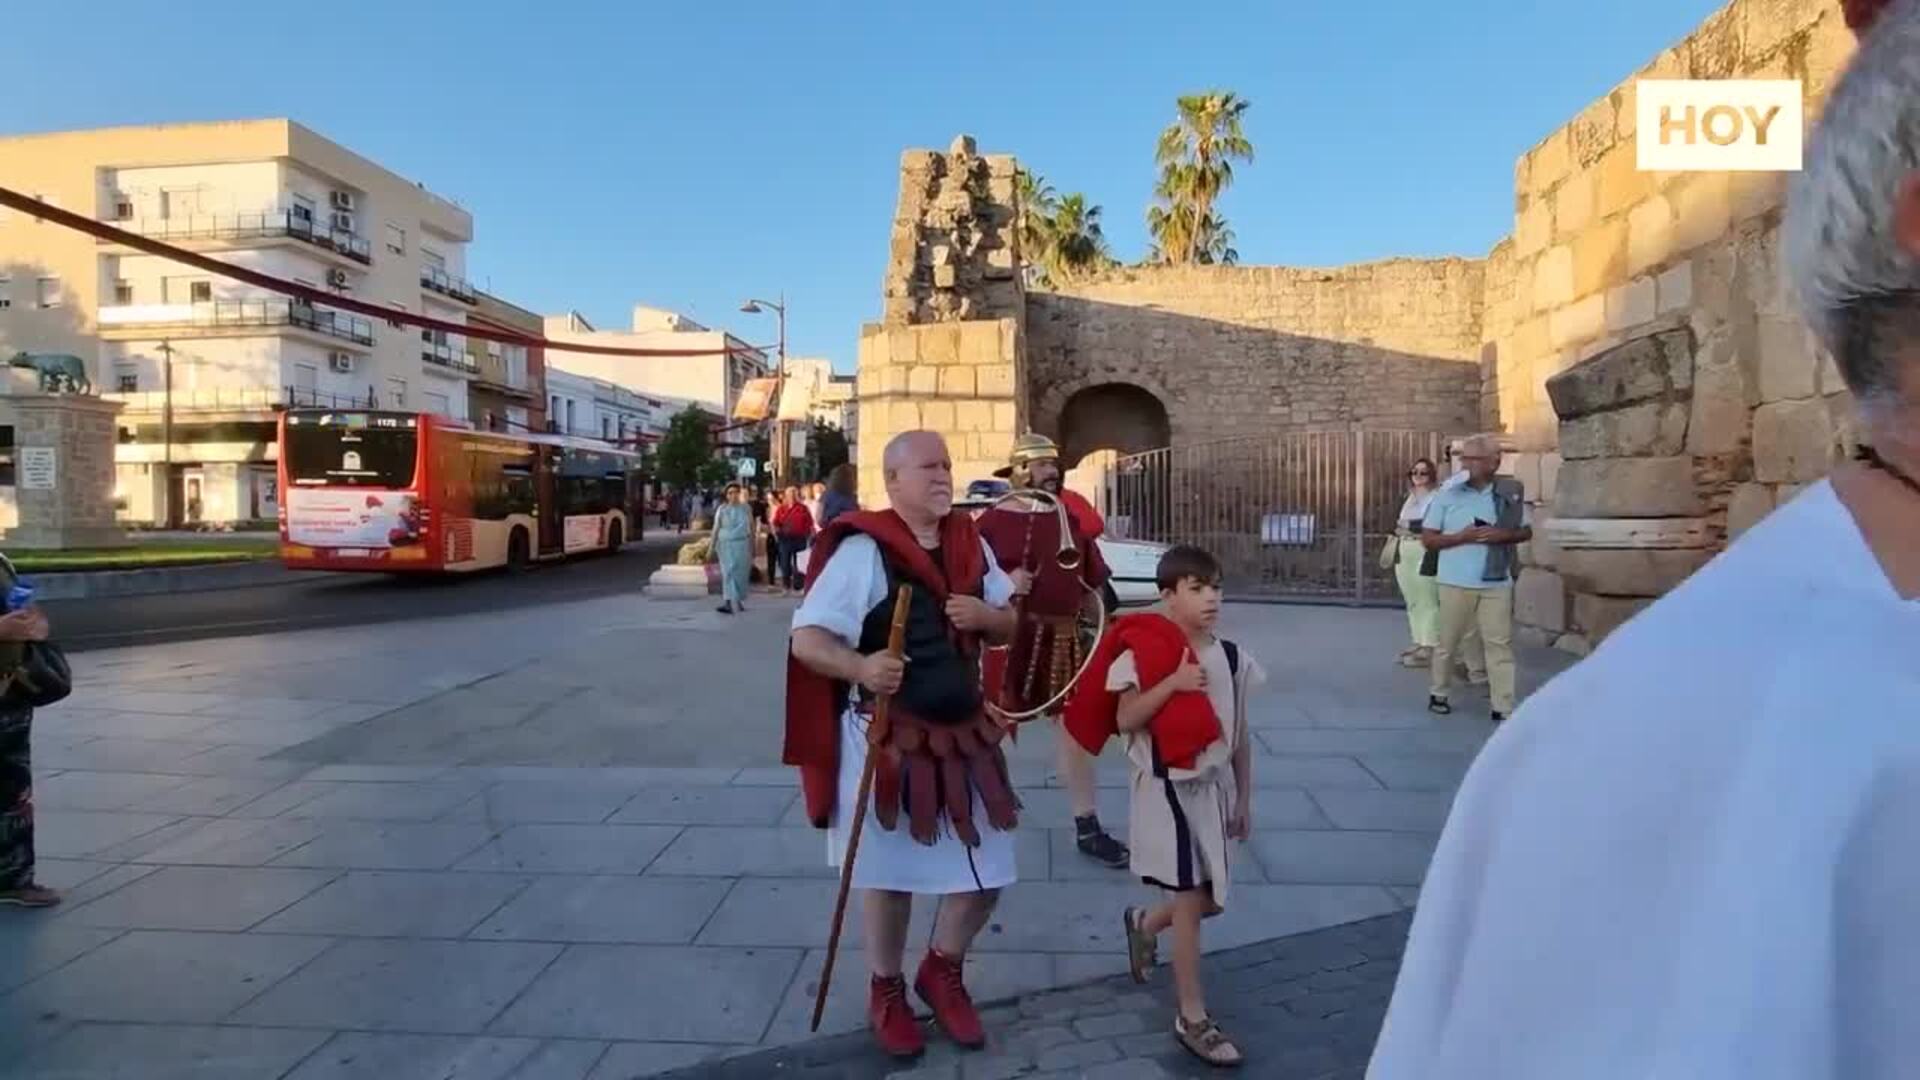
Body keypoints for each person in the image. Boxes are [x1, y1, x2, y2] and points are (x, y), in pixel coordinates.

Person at [1368, 8, 1920, 1076]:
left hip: (1501, 578)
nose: (1481, 459)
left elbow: (1517, 526)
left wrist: (1500, 525)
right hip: (1463, 584)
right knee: (1459, 650)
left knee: (1491, 664)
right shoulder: (1647, 762)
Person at [785, 430, 1020, 1060]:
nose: (943, 475)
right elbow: (807, 638)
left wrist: (986, 618)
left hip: (966, 731)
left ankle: (941, 969)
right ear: (892, 480)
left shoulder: (972, 542)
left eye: (947, 464)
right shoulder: (863, 550)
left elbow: (1009, 623)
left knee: (989, 870)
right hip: (887, 737)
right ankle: (886, 988)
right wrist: (860, 670)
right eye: (928, 467)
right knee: (888, 879)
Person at [1075, 545, 1264, 1067]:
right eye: (1197, 589)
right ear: (1168, 597)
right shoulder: (1143, 653)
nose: (1211, 599)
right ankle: (1193, 1016)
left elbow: (1241, 733)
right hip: (1166, 791)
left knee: (1213, 900)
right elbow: (1126, 718)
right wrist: (1174, 684)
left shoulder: (1231, 657)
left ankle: (1144, 923)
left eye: (1216, 588)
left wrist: (1244, 796)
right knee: (1189, 904)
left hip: (1214, 791)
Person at [977, 432, 1129, 869]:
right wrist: (1006, 582)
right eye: (1043, 465)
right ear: (1022, 469)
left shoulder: (1067, 516)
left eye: (1054, 465)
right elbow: (965, 583)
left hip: (1062, 639)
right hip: (1009, 638)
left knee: (1075, 729)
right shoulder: (989, 524)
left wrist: (1104, 632)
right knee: (990, 724)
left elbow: (1091, 580)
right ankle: (984, 804)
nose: (1052, 473)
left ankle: (1087, 825)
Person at [1420, 433, 1529, 722]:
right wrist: (1460, 537)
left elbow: (1525, 531)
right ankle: (1439, 692)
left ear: (1495, 462)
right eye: (1464, 458)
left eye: (1474, 459)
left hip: (1496, 581)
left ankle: (1503, 705)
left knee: (1499, 643)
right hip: (1455, 580)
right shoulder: (1448, 493)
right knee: (1449, 642)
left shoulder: (1510, 491)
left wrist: (1502, 534)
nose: (1467, 464)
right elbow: (1428, 539)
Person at [0, 560, 57, 908]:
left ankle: (13, 878)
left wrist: (34, 624)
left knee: (13, 789)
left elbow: (22, 606)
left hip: (10, 691)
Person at [1391, 458, 1442, 667]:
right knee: (1411, 596)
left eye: (1423, 473)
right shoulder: (1409, 497)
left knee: (1427, 596)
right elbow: (1397, 522)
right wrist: (1406, 527)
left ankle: (1430, 645)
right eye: (1414, 472)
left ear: (1431, 475)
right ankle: (1418, 640)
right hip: (1404, 547)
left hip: (1424, 548)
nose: (1418, 477)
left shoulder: (1436, 497)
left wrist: (1410, 526)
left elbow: (1433, 524)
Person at [712, 483, 754, 615]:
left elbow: (751, 527)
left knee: (740, 573)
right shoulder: (722, 509)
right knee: (728, 572)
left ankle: (738, 600)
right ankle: (728, 603)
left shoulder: (746, 508)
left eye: (736, 492)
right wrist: (711, 547)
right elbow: (716, 528)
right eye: (730, 493)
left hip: (742, 543)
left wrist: (753, 545)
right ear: (726, 495)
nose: (733, 495)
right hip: (726, 544)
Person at [772, 484, 815, 596]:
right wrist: (777, 533)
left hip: (799, 538)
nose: (791, 496)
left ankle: (798, 587)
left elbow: (809, 523)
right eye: (789, 494)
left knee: (799, 564)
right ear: (786, 496)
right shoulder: (781, 508)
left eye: (794, 494)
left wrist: (809, 535)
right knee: (785, 563)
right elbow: (775, 522)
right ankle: (786, 587)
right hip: (785, 539)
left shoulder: (803, 508)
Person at [820, 463, 859, 527]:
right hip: (848, 530)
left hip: (830, 529)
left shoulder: (826, 495)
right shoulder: (852, 498)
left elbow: (820, 518)